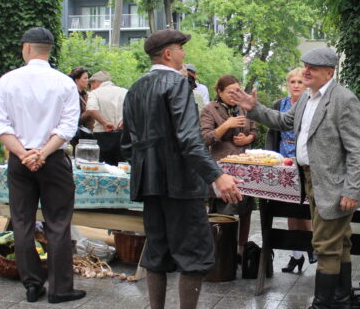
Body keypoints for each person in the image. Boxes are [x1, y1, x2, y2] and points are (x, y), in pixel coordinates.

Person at [231, 48, 360, 309]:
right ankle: (341, 300)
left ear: (329, 72)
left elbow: (358, 149)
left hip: (333, 184)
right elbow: (284, 121)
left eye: (312, 68)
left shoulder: (344, 99)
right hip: (311, 179)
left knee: (326, 244)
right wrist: (253, 108)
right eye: (305, 66)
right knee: (341, 242)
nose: (306, 71)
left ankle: (322, 304)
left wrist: (352, 189)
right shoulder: (307, 97)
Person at [121, 29, 242, 309]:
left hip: (148, 184)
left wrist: (147, 169)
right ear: (167, 54)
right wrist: (217, 175)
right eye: (180, 49)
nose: (184, 54)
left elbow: (127, 144)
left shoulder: (135, 88)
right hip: (181, 184)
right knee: (194, 254)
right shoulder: (178, 84)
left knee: (156, 252)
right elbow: (190, 139)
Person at [0, 27, 85, 304]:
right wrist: (42, 153)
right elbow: (67, 127)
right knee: (58, 223)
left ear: (27, 48)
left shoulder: (8, 81)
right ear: (49, 49)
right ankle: (60, 289)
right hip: (53, 159)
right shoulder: (64, 83)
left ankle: (31, 284)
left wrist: (23, 153)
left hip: (19, 161)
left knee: (21, 221)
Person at [264, 67, 316, 273]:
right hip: (283, 163)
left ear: (306, 85)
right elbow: (272, 132)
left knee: (304, 211)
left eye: (300, 82)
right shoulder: (280, 104)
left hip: (304, 164)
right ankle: (296, 256)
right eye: (292, 82)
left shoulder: (311, 105)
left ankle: (310, 246)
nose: (295, 85)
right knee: (289, 210)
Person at [200, 74, 257, 257]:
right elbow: (205, 138)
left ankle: (241, 249)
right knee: (226, 210)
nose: (235, 95)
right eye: (230, 92)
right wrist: (226, 125)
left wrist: (248, 138)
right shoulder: (210, 110)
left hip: (246, 166)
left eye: (237, 91)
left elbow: (254, 130)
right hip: (222, 169)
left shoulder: (244, 107)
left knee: (246, 209)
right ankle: (223, 252)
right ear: (219, 92)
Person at [86, 70, 127, 165]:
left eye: (91, 85)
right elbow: (135, 110)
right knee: (121, 166)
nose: (91, 88)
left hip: (102, 135)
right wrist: (125, 121)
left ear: (95, 82)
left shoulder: (95, 93)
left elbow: (91, 109)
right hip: (122, 134)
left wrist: (104, 122)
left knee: (102, 166)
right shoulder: (124, 91)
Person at [68, 66, 95, 147]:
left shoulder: (86, 95)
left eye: (88, 78)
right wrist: (90, 111)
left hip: (87, 134)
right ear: (77, 80)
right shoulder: (72, 95)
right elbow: (74, 118)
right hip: (77, 136)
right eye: (85, 78)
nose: (88, 81)